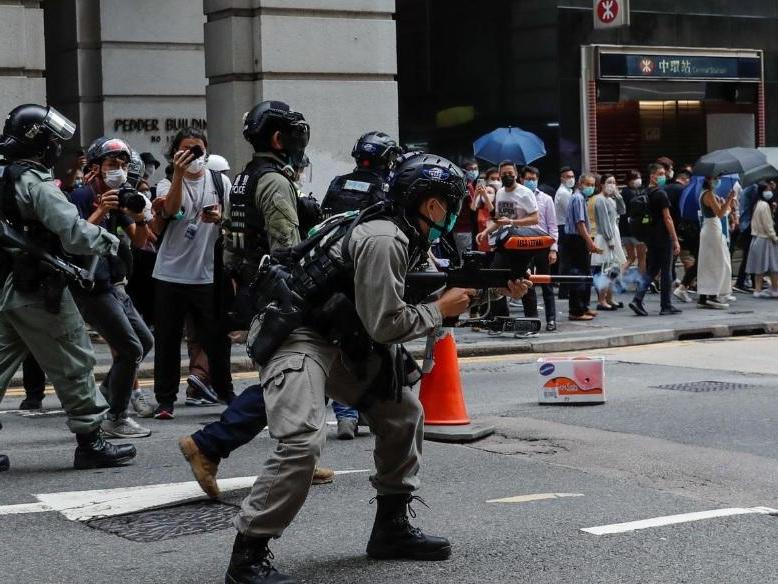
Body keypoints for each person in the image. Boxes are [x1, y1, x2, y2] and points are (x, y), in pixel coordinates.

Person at [221, 151, 531, 583]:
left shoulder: (408, 233)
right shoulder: (385, 239)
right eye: (452, 203)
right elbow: (388, 324)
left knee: (403, 414)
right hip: (300, 338)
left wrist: (492, 290)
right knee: (301, 443)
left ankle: (391, 528)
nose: (455, 212)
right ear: (431, 204)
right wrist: (442, 309)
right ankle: (248, 555)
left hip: (344, 339)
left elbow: (433, 296)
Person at [179, 100, 335, 491]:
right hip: (283, 295)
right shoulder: (275, 181)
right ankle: (208, 444)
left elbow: (231, 247)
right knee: (293, 376)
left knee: (302, 375)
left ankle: (301, 454)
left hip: (255, 289)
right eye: (294, 135)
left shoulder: (245, 178)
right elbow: (288, 248)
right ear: (279, 138)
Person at [0, 103, 136, 470]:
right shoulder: (35, 183)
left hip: (9, 286)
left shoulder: (5, 175)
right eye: (52, 140)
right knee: (75, 358)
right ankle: (91, 441)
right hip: (38, 288)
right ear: (38, 143)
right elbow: (73, 234)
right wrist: (111, 242)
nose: (56, 147)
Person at [319, 130, 402, 438]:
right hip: (364, 274)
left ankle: (345, 413)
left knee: (337, 341)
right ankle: (354, 412)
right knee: (364, 344)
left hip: (330, 271)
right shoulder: (385, 189)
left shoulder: (338, 183)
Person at [69, 138, 155, 433]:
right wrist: (100, 210)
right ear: (96, 167)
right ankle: (115, 417)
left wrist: (140, 218)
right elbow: (73, 241)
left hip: (113, 284)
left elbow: (141, 242)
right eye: (112, 164)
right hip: (89, 288)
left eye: (123, 165)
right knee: (130, 349)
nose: (119, 170)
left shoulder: (118, 197)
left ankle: (104, 400)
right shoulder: (81, 197)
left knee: (144, 342)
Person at [152, 127, 234, 419]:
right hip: (169, 275)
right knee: (167, 340)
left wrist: (220, 218)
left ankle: (225, 392)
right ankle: (165, 400)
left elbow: (231, 222)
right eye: (185, 150)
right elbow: (170, 210)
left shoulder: (220, 181)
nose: (192, 155)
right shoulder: (165, 184)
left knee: (216, 338)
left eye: (197, 149)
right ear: (175, 153)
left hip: (207, 275)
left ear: (206, 150)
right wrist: (178, 174)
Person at [628, 163, 682, 316]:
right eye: (660, 174)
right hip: (663, 236)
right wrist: (675, 239)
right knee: (666, 271)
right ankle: (666, 305)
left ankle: (637, 299)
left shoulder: (645, 192)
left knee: (652, 269)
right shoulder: (661, 194)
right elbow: (667, 218)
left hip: (650, 236)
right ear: (652, 176)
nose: (663, 176)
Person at [320, 131, 401, 217]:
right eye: (391, 158)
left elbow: (324, 214)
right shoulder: (386, 188)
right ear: (385, 159)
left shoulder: (338, 181)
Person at [520, 165, 558, 331]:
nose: (531, 181)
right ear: (521, 179)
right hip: (523, 245)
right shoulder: (518, 198)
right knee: (527, 284)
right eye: (528, 179)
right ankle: (531, 320)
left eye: (534, 179)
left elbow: (553, 226)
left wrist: (553, 249)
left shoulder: (546, 199)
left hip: (543, 245)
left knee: (546, 283)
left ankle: (551, 319)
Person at [562, 173, 600, 320]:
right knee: (578, 275)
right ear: (580, 184)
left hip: (579, 239)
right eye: (587, 184)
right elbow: (580, 223)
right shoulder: (577, 198)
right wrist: (589, 241)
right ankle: (576, 311)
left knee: (585, 274)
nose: (590, 187)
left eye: (592, 185)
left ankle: (584, 306)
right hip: (576, 240)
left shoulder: (582, 198)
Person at [696, 176, 737, 309]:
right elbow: (719, 213)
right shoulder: (708, 194)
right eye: (715, 178)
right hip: (712, 229)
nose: (717, 181)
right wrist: (729, 198)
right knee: (715, 263)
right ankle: (710, 295)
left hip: (713, 228)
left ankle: (709, 295)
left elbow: (723, 211)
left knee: (714, 262)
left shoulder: (709, 193)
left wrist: (728, 201)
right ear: (708, 179)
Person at [590, 174, 626, 310]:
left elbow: (622, 211)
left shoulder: (611, 199)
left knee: (614, 269)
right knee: (606, 269)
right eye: (609, 182)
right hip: (606, 237)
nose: (612, 185)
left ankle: (610, 298)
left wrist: (618, 196)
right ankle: (602, 300)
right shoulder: (600, 200)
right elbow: (604, 222)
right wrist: (610, 240)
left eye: (614, 182)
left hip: (613, 234)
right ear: (602, 184)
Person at [746, 182, 778, 297]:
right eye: (768, 189)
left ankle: (757, 290)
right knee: (774, 265)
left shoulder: (757, 204)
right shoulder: (764, 205)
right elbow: (768, 225)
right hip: (766, 239)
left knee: (758, 267)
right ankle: (775, 289)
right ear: (763, 191)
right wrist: (774, 237)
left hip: (757, 238)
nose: (770, 191)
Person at [555, 166, 576, 298]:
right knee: (566, 261)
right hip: (564, 227)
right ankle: (564, 291)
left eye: (572, 176)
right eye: (568, 177)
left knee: (567, 260)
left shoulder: (568, 191)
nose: (571, 179)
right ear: (562, 178)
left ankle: (565, 290)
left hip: (565, 227)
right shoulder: (563, 193)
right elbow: (571, 211)